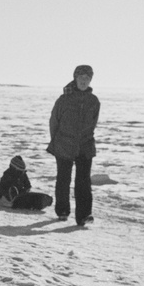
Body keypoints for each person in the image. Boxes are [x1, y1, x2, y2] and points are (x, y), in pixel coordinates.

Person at [47, 64, 100, 226]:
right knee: (64, 179)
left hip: (85, 145)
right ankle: (62, 211)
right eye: (81, 77)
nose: (84, 81)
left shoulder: (93, 101)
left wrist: (87, 139)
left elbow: (93, 123)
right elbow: (54, 121)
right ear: (75, 78)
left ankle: (84, 215)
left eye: (87, 78)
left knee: (84, 181)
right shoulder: (64, 99)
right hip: (64, 144)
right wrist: (56, 141)